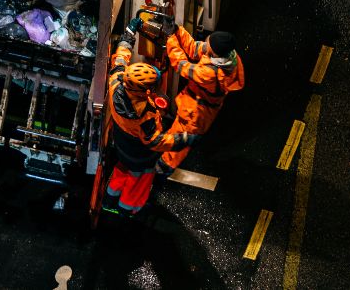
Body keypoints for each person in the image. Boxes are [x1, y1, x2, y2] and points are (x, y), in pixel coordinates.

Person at [104, 17, 198, 216]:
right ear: (143, 89)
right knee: (139, 179)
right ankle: (127, 209)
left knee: (122, 169)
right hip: (140, 155)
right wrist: (182, 140)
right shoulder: (143, 116)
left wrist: (130, 32)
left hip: (121, 144)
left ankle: (110, 199)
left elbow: (121, 57)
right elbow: (156, 142)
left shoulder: (116, 83)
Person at [156, 28, 245, 176]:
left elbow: (180, 64)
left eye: (208, 43)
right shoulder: (228, 57)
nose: (205, 43)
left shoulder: (209, 74)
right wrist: (177, 30)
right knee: (175, 134)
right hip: (200, 107)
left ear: (215, 52)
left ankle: (161, 170)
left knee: (179, 143)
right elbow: (194, 47)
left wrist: (171, 38)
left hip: (195, 113)